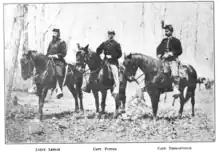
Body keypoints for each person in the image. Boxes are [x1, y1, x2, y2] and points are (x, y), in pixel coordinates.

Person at [82, 30, 122, 98]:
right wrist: (99, 53)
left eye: (112, 34)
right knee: (94, 71)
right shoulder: (105, 43)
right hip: (105, 61)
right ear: (108, 35)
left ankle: (116, 89)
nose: (110, 36)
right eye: (109, 34)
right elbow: (98, 50)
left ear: (114, 35)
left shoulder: (117, 44)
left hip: (113, 62)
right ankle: (88, 86)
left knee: (115, 72)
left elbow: (120, 54)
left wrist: (112, 56)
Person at [156, 20, 183, 96]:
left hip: (173, 60)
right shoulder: (163, 41)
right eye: (165, 31)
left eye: (167, 31)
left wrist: (171, 53)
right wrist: (159, 55)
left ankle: (176, 89)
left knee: (175, 73)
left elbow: (180, 51)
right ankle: (163, 87)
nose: (166, 33)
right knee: (161, 73)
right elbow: (158, 49)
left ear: (171, 31)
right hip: (164, 61)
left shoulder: (176, 41)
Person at [46, 28, 67, 99]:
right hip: (50, 60)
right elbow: (48, 51)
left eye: (55, 33)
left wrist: (55, 56)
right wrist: (48, 55)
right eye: (53, 33)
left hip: (58, 61)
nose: (53, 34)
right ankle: (36, 85)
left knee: (57, 69)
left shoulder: (62, 42)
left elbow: (64, 53)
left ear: (58, 34)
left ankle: (58, 88)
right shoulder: (51, 43)